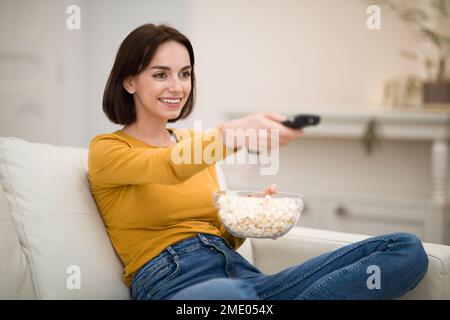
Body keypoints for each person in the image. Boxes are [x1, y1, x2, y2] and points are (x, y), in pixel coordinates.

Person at [88, 23, 428, 300]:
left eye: (185, 74)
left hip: (245, 279)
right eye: (160, 74)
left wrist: (243, 218)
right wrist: (232, 133)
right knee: (224, 294)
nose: (177, 87)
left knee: (405, 249)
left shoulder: (192, 142)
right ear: (129, 81)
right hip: (174, 285)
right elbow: (167, 166)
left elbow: (217, 232)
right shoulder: (107, 150)